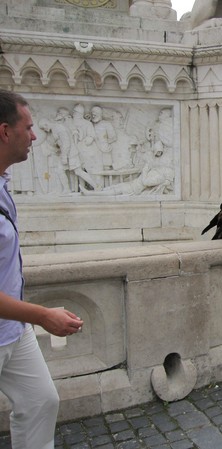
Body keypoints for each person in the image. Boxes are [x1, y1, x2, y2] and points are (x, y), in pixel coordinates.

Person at [0, 90, 84, 449]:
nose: (35, 135)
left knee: (41, 401)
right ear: (5, 131)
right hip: (16, 322)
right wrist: (41, 316)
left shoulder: (4, 183)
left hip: (12, 329)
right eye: (28, 127)